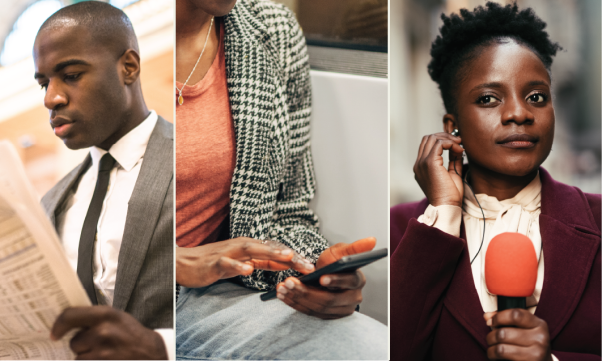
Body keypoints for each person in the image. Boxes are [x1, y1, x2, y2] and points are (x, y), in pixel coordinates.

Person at [175, 0, 387, 359]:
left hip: (218, 294)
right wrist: (176, 261)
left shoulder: (272, 30)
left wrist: (314, 267)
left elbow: (288, 209)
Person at [391, 2, 602, 360]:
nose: (519, 113)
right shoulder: (405, 228)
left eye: (536, 97)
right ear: (450, 126)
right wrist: (444, 213)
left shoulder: (597, 219)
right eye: (489, 98)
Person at [0, 3, 173, 361]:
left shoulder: (183, 161)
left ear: (129, 67)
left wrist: (161, 348)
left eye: (71, 75)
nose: (50, 98)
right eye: (44, 83)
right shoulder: (53, 201)